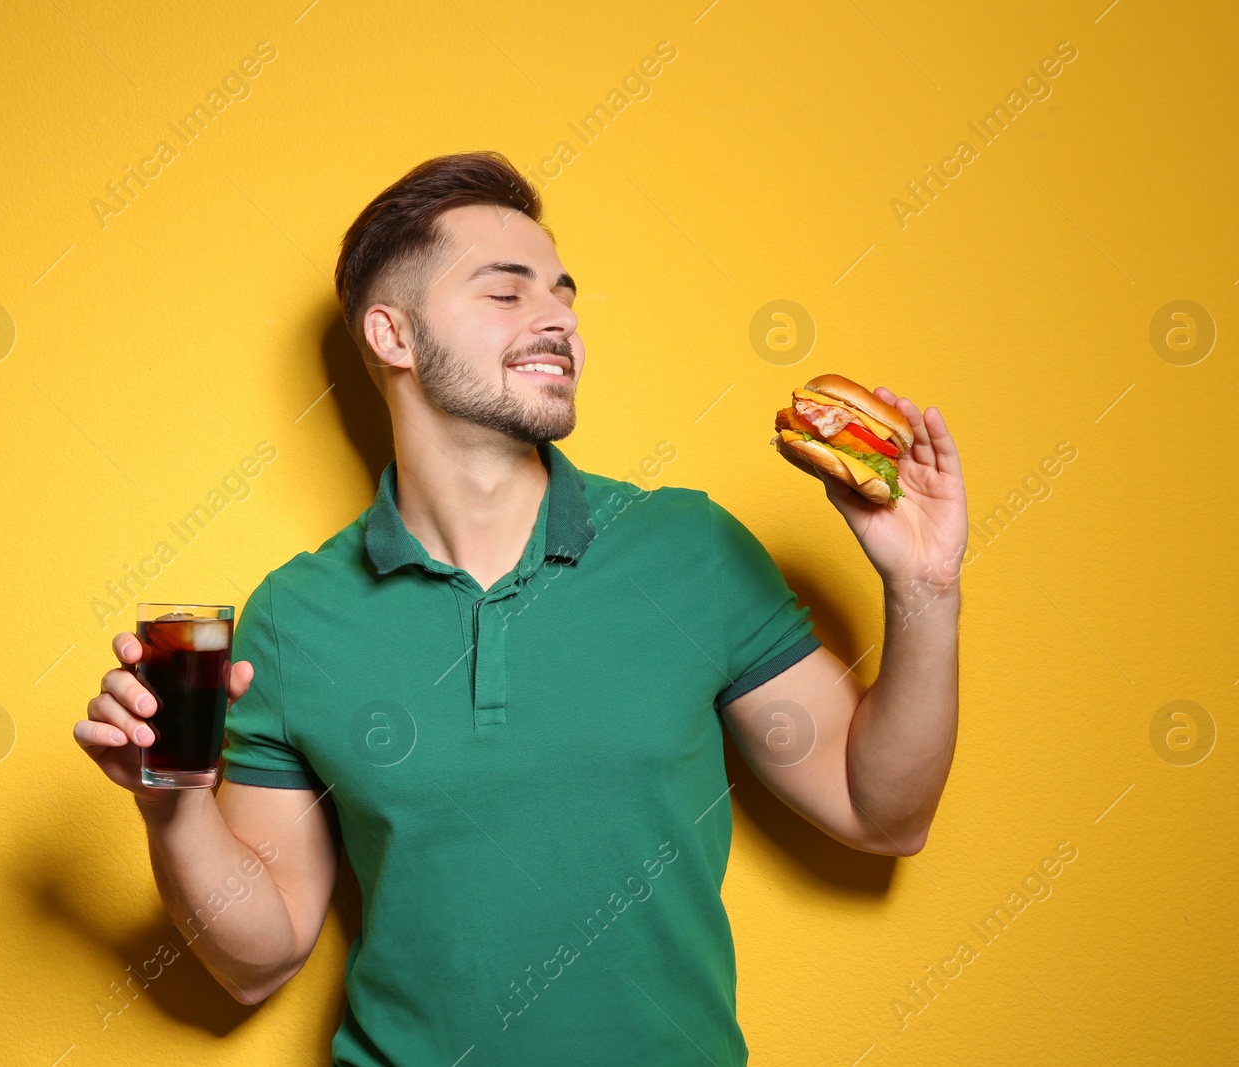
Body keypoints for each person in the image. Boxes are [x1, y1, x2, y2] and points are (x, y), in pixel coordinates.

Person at [74, 150, 968, 1066]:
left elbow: (882, 811)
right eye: (507, 295)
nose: (560, 321)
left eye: (564, 295)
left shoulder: (688, 550)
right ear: (393, 335)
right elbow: (257, 958)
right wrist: (171, 807)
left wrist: (925, 585)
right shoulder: (293, 618)